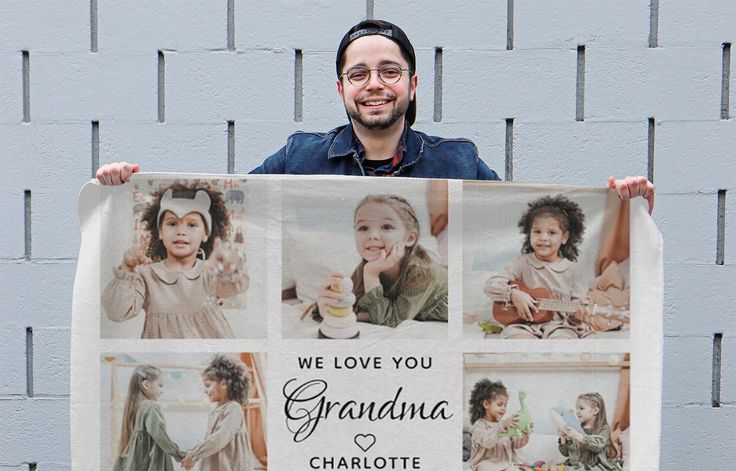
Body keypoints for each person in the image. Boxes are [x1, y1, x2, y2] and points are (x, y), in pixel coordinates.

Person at [94, 19, 655, 210]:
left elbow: (516, 229)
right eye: (359, 74)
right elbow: (226, 207)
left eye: (389, 71)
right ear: (341, 88)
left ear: (412, 84)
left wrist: (621, 210)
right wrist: (133, 189)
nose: (375, 85)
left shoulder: (458, 161)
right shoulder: (301, 156)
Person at [102, 181, 248, 338]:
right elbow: (116, 312)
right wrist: (127, 267)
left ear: (206, 234)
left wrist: (227, 269)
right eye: (172, 223)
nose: (181, 231)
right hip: (165, 355)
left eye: (192, 225)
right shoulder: (146, 275)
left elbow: (231, 288)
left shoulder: (208, 272)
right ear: (160, 232)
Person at [315, 194, 447, 328]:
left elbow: (390, 320)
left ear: (410, 238)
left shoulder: (422, 273)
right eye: (363, 228)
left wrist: (371, 275)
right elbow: (356, 308)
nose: (372, 235)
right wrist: (327, 307)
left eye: (387, 227)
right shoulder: (368, 267)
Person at [484, 194, 600, 339]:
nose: (543, 237)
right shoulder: (522, 263)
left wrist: (579, 312)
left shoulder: (573, 271)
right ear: (529, 234)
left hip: (560, 326)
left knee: (562, 340)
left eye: (551, 232)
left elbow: (578, 306)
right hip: (524, 325)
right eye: (537, 231)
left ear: (564, 237)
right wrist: (515, 295)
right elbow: (490, 285)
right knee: (514, 338)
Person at [181, 355, 254, 471]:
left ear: (225, 383)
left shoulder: (234, 408)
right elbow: (211, 440)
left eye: (208, 385)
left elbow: (219, 438)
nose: (205, 390)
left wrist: (194, 454)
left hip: (231, 469)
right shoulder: (216, 410)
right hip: (215, 468)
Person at [108, 364, 185, 471]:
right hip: (153, 464)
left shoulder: (134, 407)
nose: (162, 390)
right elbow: (160, 436)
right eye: (160, 385)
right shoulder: (150, 407)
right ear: (146, 385)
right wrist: (178, 454)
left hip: (138, 464)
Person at [468, 378, 530, 471]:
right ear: (486, 404)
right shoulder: (479, 426)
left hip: (505, 461)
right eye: (500, 404)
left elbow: (517, 444)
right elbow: (488, 442)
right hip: (485, 462)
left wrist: (525, 433)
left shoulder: (506, 423)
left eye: (505, 405)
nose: (503, 408)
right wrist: (502, 426)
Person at [558, 392, 623, 471]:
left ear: (595, 410)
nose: (577, 411)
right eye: (576, 408)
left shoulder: (604, 429)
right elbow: (566, 453)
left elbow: (598, 446)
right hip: (579, 464)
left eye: (581, 408)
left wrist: (578, 436)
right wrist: (563, 439)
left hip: (596, 464)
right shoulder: (575, 427)